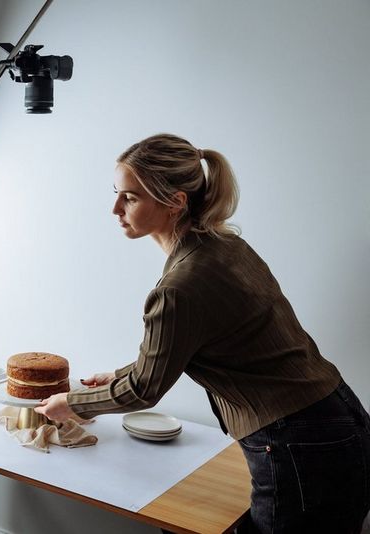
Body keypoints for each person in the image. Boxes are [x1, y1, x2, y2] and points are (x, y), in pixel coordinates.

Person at [34, 133, 370, 533]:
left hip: (298, 441)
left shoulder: (178, 288)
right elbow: (188, 345)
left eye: (131, 197)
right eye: (117, 193)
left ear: (175, 203)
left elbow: (144, 390)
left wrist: (72, 404)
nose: (115, 208)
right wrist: (119, 376)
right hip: (339, 415)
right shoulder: (225, 247)